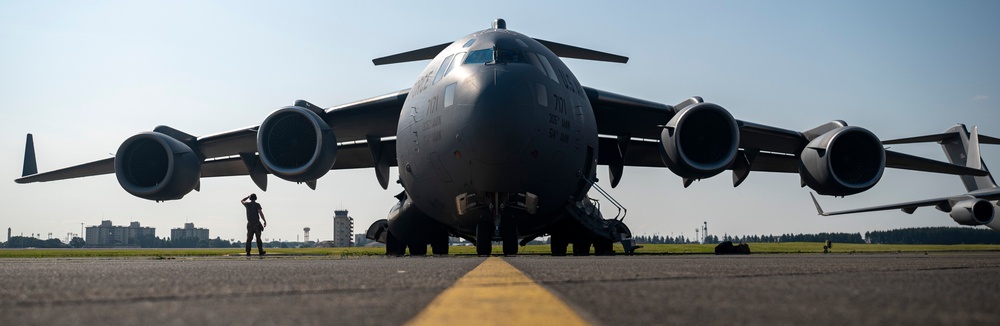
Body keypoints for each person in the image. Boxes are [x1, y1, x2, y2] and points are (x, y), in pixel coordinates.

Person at [241, 194, 267, 258]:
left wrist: (247, 196)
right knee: (258, 238)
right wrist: (264, 220)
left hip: (250, 223)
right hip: (256, 223)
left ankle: (248, 251)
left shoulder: (247, 204)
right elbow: (260, 213)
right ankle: (260, 251)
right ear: (256, 198)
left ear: (250, 198)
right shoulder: (257, 205)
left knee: (249, 238)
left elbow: (242, 201)